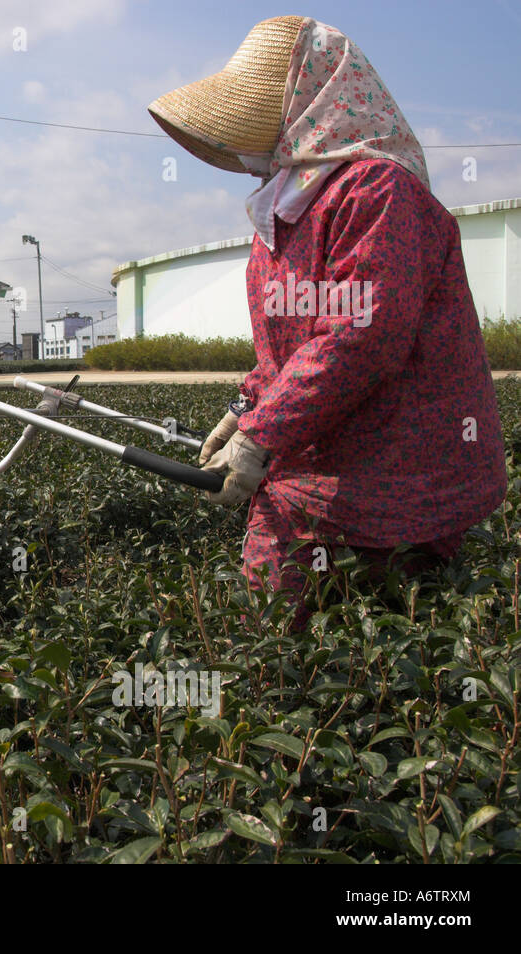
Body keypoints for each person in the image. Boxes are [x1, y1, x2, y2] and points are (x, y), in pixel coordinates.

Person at [147, 17, 506, 626]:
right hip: (326, 453)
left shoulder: (376, 190)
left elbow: (359, 336)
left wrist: (263, 435)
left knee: (387, 633)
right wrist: (242, 409)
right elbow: (287, 350)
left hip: (401, 462)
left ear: (310, 101)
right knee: (337, 636)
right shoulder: (287, 208)